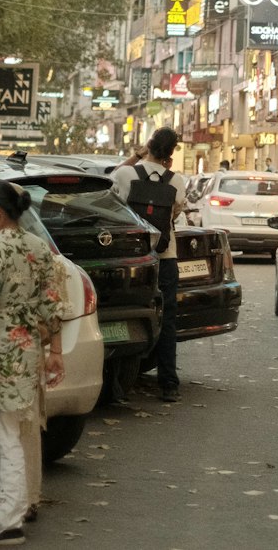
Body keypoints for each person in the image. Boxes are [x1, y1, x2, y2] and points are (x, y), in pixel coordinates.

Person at [0, 180, 63, 548]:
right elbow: (52, 309)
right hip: (27, 354)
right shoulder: (38, 247)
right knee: (12, 437)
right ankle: (8, 516)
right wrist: (54, 353)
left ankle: (4, 524)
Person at [112, 127, 186, 403]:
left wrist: (136, 156)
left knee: (124, 315)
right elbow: (175, 213)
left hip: (132, 257)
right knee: (167, 320)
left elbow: (109, 191)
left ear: (149, 145)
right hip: (165, 258)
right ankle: (169, 384)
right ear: (171, 153)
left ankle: (119, 385)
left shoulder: (125, 174)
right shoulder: (177, 181)